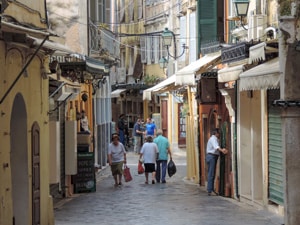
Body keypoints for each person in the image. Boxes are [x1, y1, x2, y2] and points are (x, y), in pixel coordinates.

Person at [206, 128, 228, 196]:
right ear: (216, 133)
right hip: (211, 157)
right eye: (219, 133)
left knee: (212, 173)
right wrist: (222, 150)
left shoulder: (214, 139)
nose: (220, 135)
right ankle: (210, 189)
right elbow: (216, 147)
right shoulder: (213, 139)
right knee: (211, 173)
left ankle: (211, 189)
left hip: (212, 157)